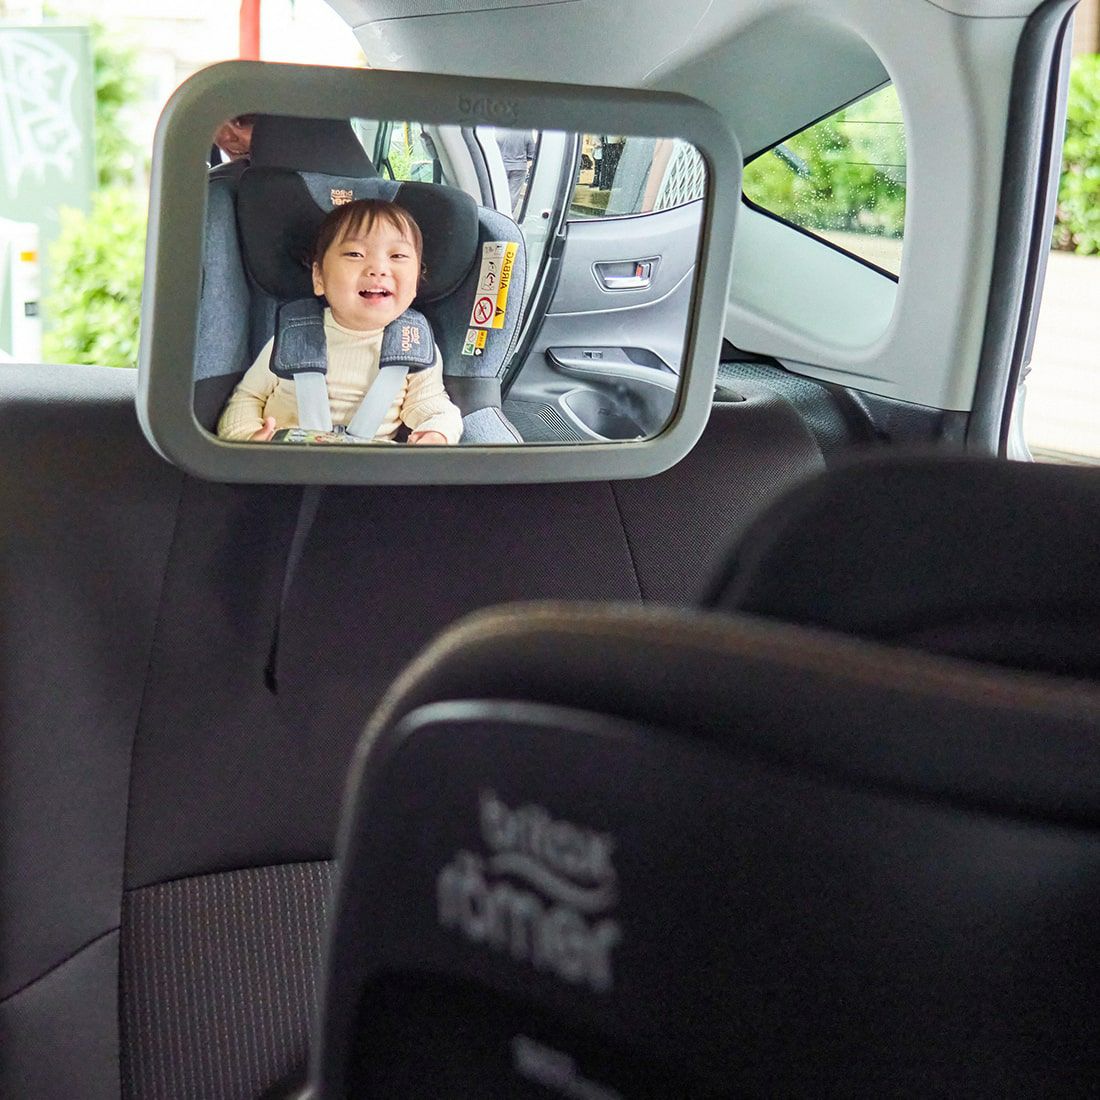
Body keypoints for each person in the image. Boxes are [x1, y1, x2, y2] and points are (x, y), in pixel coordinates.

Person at [217, 199, 463, 445]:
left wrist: (436, 433)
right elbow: (248, 398)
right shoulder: (293, 337)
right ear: (319, 277)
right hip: (285, 458)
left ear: (416, 282)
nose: (378, 269)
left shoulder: (413, 345)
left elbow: (433, 406)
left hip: (369, 465)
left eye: (397, 255)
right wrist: (248, 437)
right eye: (355, 254)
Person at [495, 129, 537, 211]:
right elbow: (531, 152)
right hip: (519, 167)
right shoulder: (526, 132)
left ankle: (496, 209)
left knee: (498, 190)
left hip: (501, 165)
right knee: (514, 193)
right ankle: (508, 212)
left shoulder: (499, 130)